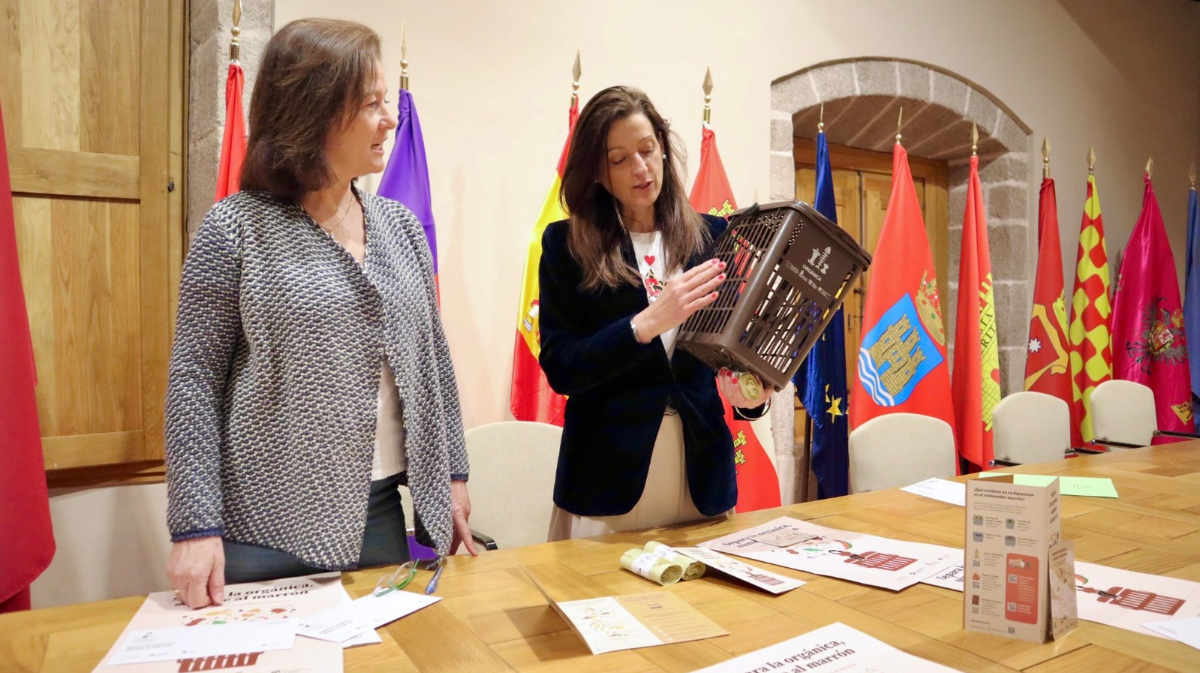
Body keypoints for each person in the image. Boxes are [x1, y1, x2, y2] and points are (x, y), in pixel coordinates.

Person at [164, 18, 475, 609]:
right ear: (314, 112)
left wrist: (453, 474)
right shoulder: (236, 229)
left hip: (380, 515)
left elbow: (435, 361)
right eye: (372, 104)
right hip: (260, 533)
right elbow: (193, 385)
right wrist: (194, 524)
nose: (391, 119)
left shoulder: (400, 229)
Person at [539, 85, 769, 541]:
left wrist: (752, 395)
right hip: (609, 474)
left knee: (703, 609)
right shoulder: (566, 245)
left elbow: (739, 348)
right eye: (619, 159)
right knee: (602, 607)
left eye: (647, 150)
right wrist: (643, 325)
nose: (640, 168)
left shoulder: (713, 235)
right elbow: (562, 368)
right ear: (598, 173)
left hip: (700, 470)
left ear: (663, 148)